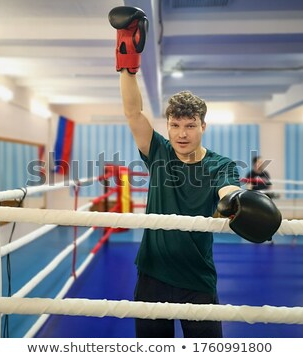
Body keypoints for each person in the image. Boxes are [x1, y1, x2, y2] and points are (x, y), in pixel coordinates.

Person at [108, 6, 282, 338]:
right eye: (175, 125)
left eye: (190, 125)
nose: (182, 133)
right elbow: (133, 113)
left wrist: (235, 201)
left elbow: (227, 189)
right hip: (152, 275)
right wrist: (127, 65)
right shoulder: (158, 152)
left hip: (197, 279)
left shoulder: (221, 164)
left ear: (203, 126)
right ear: (168, 126)